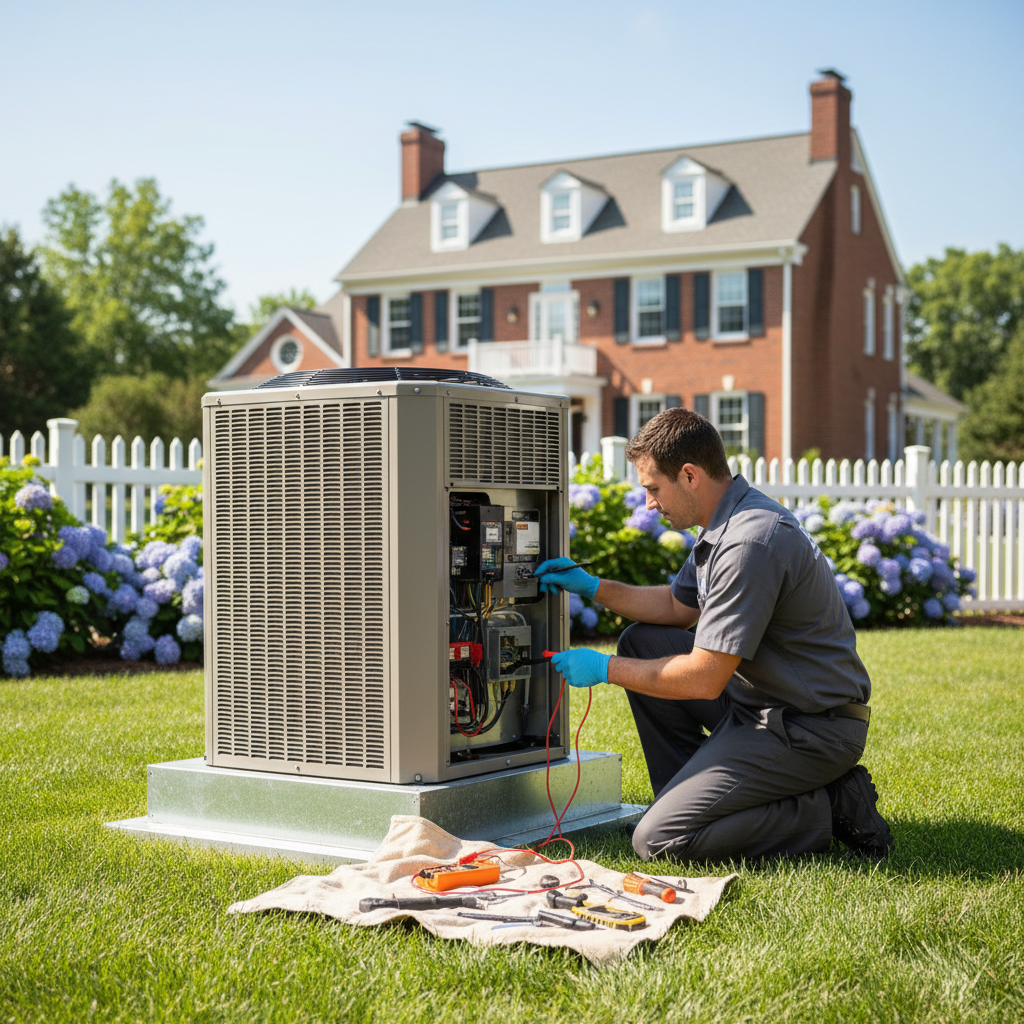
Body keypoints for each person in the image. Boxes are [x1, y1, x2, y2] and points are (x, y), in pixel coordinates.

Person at [536, 408, 894, 863]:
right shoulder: (726, 522)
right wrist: (592, 587)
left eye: (652, 488)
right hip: (762, 702)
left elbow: (704, 678)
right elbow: (674, 607)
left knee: (657, 842)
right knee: (643, 641)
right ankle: (685, 801)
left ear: (689, 475)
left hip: (808, 727)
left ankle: (828, 805)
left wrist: (604, 668)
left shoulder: (750, 542)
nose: (648, 503)